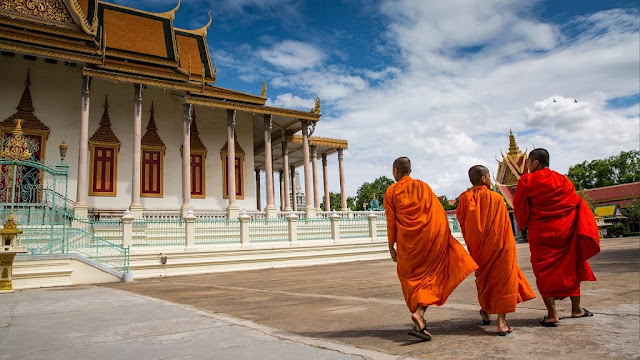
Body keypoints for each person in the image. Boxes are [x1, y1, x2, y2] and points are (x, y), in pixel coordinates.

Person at [384, 157, 477, 341]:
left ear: (395, 171)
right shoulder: (423, 187)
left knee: (412, 280)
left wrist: (391, 246)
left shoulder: (391, 191)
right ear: (409, 171)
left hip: (408, 246)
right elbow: (439, 213)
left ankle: (419, 314)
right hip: (430, 241)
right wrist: (444, 238)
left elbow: (391, 223)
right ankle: (420, 315)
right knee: (433, 276)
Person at [513, 148, 600, 327]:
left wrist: (524, 223)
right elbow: (575, 203)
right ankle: (576, 309)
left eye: (528, 163)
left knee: (543, 271)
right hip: (565, 231)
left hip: (541, 234)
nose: (527, 167)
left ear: (535, 163)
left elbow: (520, 208)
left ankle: (552, 314)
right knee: (572, 266)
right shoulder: (563, 180)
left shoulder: (527, 181)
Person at [456, 165, 535, 336]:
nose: (491, 179)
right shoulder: (496, 198)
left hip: (478, 250)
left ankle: (485, 311)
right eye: (490, 176)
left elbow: (462, 224)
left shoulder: (464, 199)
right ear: (484, 179)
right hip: (500, 248)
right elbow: (504, 228)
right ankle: (501, 322)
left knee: (484, 282)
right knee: (503, 283)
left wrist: (472, 244)